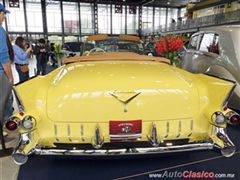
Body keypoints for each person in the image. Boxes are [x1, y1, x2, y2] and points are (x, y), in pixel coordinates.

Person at [0, 4, 13, 137]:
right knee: (3, 101)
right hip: (0, 73)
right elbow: (3, 55)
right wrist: (10, 77)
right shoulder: (0, 31)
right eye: (3, 13)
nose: (4, 17)